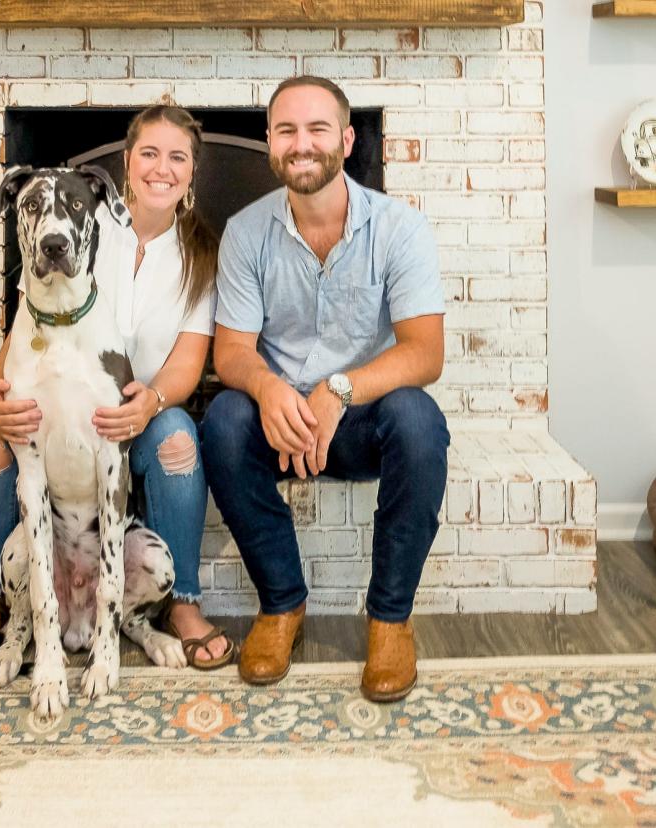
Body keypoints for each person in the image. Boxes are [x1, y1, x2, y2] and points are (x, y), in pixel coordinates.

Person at [0, 104, 235, 672]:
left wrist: (149, 403)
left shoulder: (199, 255)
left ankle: (185, 602)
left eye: (177, 157)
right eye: (149, 153)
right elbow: (30, 318)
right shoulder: (87, 218)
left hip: (136, 411)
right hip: (49, 392)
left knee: (177, 440)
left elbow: (188, 362)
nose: (161, 168)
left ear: (192, 171)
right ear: (126, 162)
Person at [201, 76, 449, 703]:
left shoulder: (400, 228)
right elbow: (230, 352)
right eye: (286, 130)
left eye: (317, 129)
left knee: (419, 420)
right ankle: (282, 604)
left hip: (360, 420)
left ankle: (390, 620)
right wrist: (267, 387)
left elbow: (426, 353)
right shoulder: (245, 232)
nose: (301, 143)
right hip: (282, 422)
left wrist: (339, 391)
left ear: (345, 139)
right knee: (225, 419)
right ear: (268, 143)